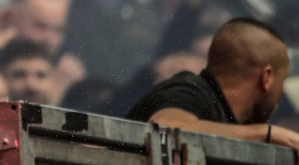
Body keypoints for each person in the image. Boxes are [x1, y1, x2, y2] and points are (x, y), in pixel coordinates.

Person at [126, 18, 299, 152]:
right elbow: (164, 128)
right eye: (282, 80)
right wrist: (267, 134)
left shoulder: (230, 125)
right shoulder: (190, 89)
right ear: (266, 77)